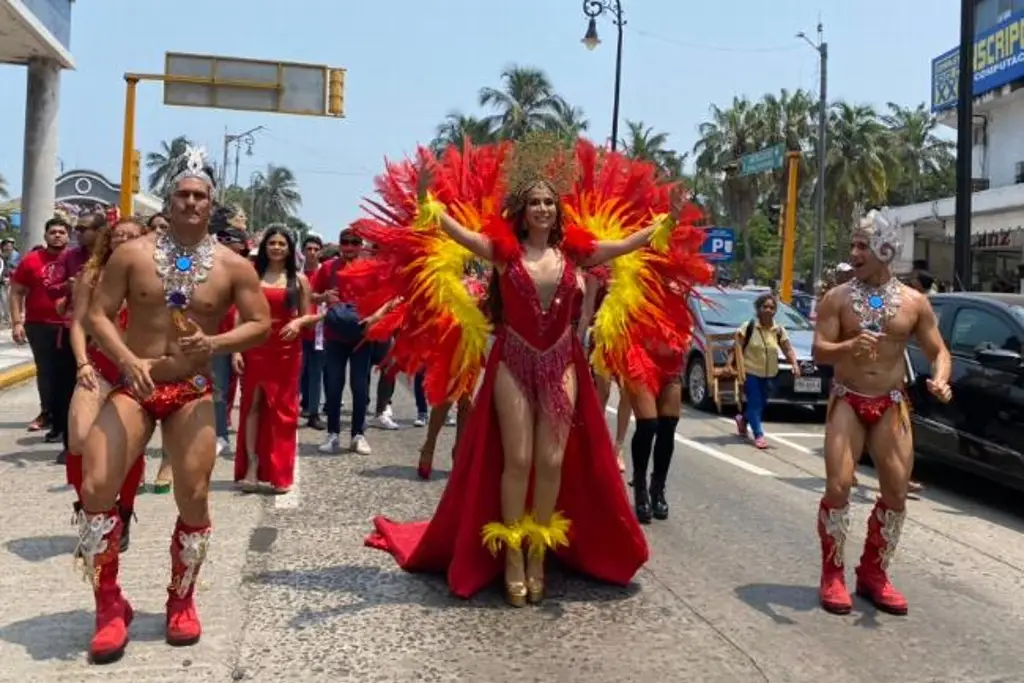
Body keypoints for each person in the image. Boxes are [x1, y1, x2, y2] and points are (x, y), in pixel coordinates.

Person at [357, 136, 709, 606]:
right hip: (513, 361)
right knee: (518, 459)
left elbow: (628, 243)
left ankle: (538, 548)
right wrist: (426, 199)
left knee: (552, 461)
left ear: (556, 212)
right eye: (535, 203)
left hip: (561, 362)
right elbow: (454, 233)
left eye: (549, 202)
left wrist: (667, 217)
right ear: (522, 212)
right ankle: (512, 553)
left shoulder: (577, 255)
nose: (542, 209)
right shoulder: (502, 252)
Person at [78, 146, 271, 664]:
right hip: (136, 385)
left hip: (191, 390)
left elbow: (260, 324)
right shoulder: (133, 253)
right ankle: (109, 605)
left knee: (195, 495)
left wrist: (216, 345)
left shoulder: (234, 265)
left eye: (199, 195)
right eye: (182, 194)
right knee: (96, 485)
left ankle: (181, 598)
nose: (190, 201)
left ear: (212, 203)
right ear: (170, 199)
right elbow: (97, 314)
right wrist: (124, 358)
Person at [811, 209, 951, 617]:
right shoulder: (835, 298)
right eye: (853, 244)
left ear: (886, 250)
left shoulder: (914, 303)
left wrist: (941, 379)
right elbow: (819, 349)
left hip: (890, 402)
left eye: (862, 245)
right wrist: (846, 349)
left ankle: (873, 573)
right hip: (848, 399)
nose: (853, 252)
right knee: (838, 487)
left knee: (895, 493)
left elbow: (938, 351)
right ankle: (832, 574)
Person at [67, 217, 145, 548]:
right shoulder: (91, 275)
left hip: (137, 374)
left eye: (132, 236)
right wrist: (82, 362)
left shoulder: (154, 276)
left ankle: (122, 513)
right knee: (79, 441)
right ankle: (88, 508)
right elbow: (78, 325)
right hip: (97, 368)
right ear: (108, 240)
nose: (124, 240)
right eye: (118, 236)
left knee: (128, 449)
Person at [233, 227, 318, 493]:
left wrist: (298, 323)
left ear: (290, 249)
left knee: (283, 412)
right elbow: (241, 314)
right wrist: (236, 349)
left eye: (282, 243)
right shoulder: (253, 276)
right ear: (265, 246)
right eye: (272, 243)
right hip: (255, 347)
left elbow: (311, 315)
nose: (277, 247)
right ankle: (252, 467)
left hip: (287, 351)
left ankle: (281, 472)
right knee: (253, 407)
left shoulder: (300, 280)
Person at [311, 228, 373, 455]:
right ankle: (333, 433)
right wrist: (323, 297)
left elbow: (382, 297)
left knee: (360, 386)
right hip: (334, 335)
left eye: (354, 242)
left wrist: (375, 319)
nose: (349, 246)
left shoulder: (370, 268)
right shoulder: (328, 268)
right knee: (334, 385)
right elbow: (311, 294)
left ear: (360, 244)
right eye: (345, 242)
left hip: (361, 337)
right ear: (339, 244)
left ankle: (358, 434)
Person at [9, 217, 71, 438]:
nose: (57, 235)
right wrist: (17, 322)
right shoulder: (31, 260)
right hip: (39, 325)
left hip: (71, 325)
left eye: (61, 232)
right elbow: (16, 291)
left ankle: (69, 417)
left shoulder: (76, 259)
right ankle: (47, 413)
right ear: (45, 236)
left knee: (69, 373)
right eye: (52, 231)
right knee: (46, 371)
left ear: (68, 235)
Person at [733, 292, 800, 450]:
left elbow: (787, 349)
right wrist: (736, 368)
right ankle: (758, 435)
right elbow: (736, 348)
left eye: (772, 307)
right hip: (751, 372)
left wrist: (794, 364)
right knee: (755, 403)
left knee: (762, 403)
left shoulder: (778, 330)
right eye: (765, 307)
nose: (768, 310)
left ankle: (742, 420)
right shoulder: (748, 327)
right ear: (758, 309)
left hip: (770, 374)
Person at [298, 233, 327, 430]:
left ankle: (314, 413)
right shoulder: (295, 274)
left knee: (316, 374)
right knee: (297, 374)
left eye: (316, 249)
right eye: (309, 249)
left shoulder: (325, 273)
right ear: (303, 251)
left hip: (319, 331)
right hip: (298, 330)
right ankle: (294, 409)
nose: (312, 252)